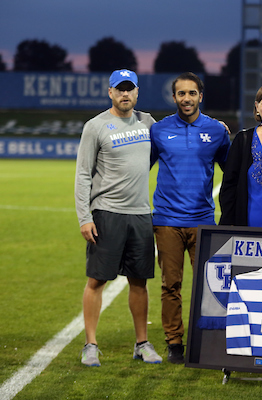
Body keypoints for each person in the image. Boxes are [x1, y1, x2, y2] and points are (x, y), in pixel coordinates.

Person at [74, 69, 162, 366]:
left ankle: (142, 343)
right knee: (97, 280)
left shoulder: (148, 122)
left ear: (137, 92)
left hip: (140, 214)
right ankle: (90, 345)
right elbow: (83, 174)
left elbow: (173, 138)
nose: (125, 94)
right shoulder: (95, 126)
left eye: (130, 89)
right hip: (107, 213)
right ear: (110, 92)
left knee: (139, 281)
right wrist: (84, 217)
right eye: (119, 89)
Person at [150, 72, 230, 363]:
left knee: (208, 285)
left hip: (202, 221)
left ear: (200, 95)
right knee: (170, 285)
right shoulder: (158, 130)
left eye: (191, 93)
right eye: (181, 94)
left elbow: (231, 173)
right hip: (167, 220)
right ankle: (174, 343)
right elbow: (139, 170)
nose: (186, 98)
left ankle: (205, 340)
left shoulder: (216, 131)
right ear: (174, 97)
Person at [219, 82, 262, 227]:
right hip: (248, 225)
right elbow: (229, 185)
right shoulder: (243, 140)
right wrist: (229, 220)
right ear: (257, 107)